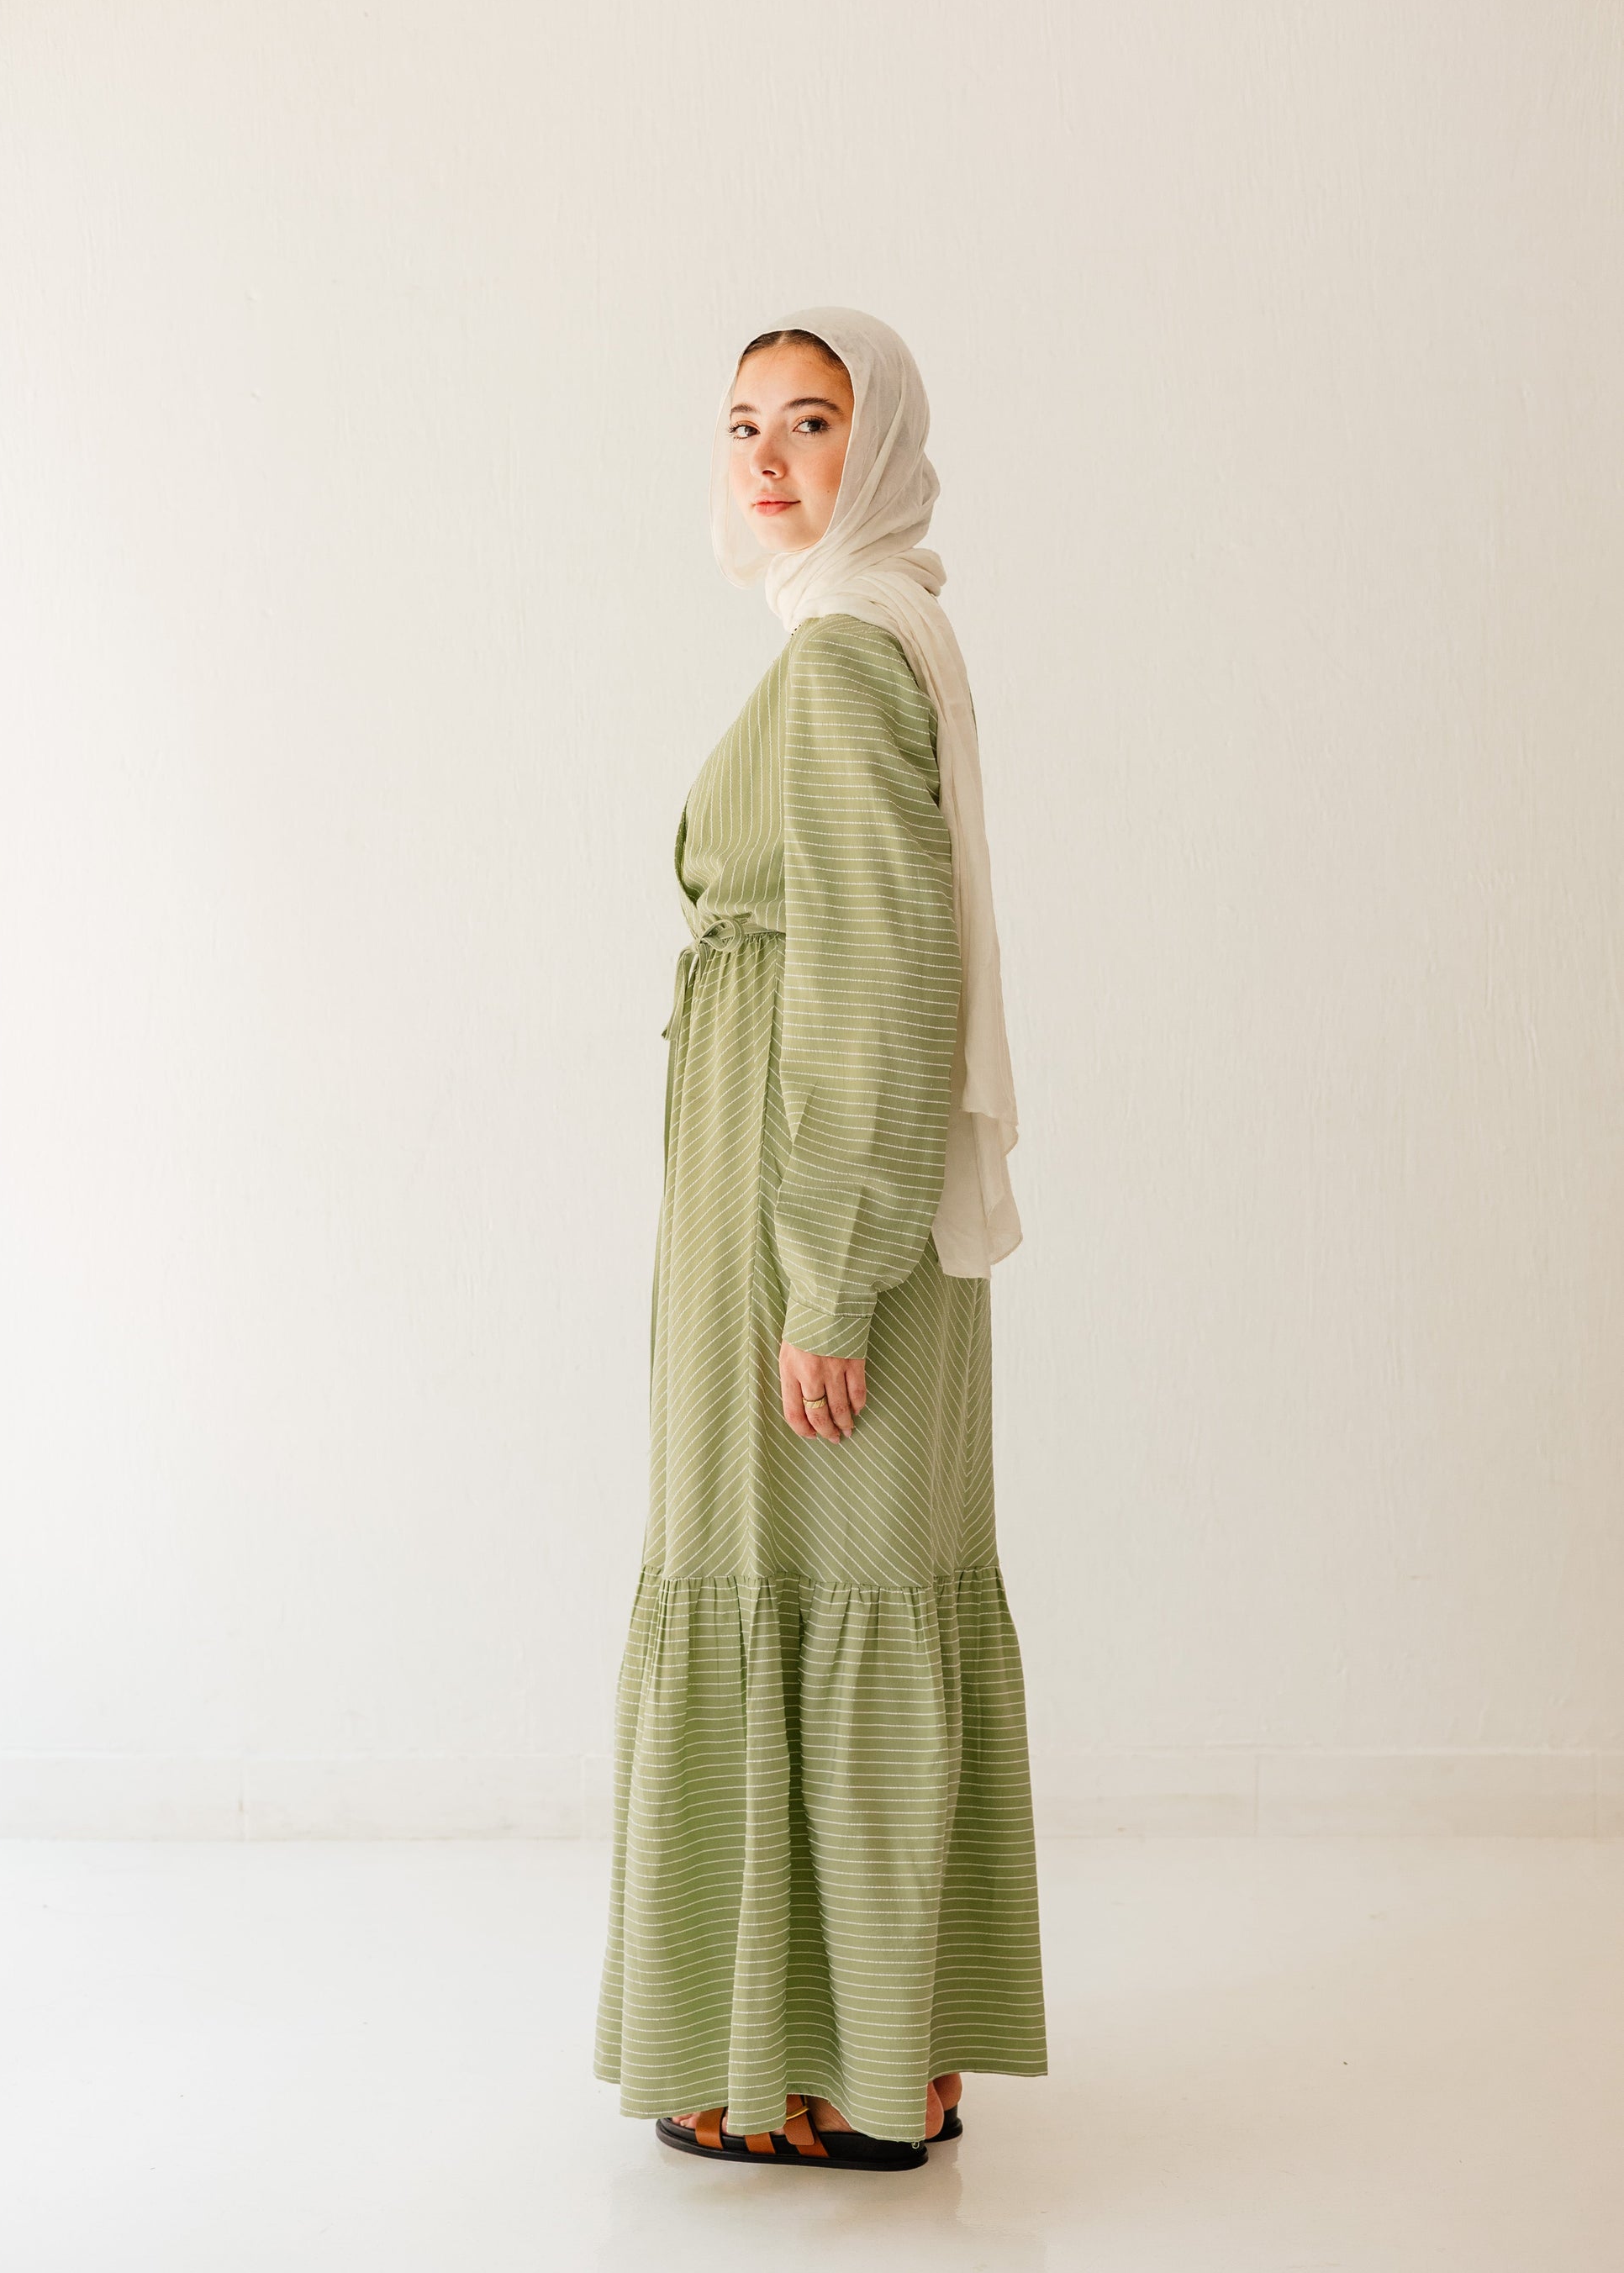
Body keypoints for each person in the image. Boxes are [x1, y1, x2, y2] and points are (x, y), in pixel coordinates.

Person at [593, 306, 1047, 2171]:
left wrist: (826, 1275)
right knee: (849, 1576)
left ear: (882, 448)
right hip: (800, 1197)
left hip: (803, 1216)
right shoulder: (862, 632)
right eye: (741, 424)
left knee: (797, 1568)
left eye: (810, 421)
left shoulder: (847, 653)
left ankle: (809, 2071)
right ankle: (880, 2050)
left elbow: (877, 976)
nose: (768, 458)